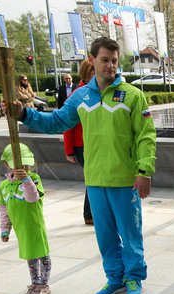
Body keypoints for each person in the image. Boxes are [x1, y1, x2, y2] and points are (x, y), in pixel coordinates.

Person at [4, 37, 157, 294]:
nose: (110, 66)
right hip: (95, 179)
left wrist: (144, 171)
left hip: (125, 180)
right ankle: (115, 278)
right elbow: (57, 121)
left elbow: (146, 136)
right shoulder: (82, 96)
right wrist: (24, 115)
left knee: (130, 235)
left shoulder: (132, 95)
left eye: (114, 61)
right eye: (105, 60)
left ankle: (133, 277)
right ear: (91, 60)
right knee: (105, 236)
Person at [0, 143, 51, 294]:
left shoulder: (34, 179)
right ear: (7, 165)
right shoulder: (4, 186)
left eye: (26, 164)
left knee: (42, 255)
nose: (23, 167)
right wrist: (4, 229)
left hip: (35, 226)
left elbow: (32, 197)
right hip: (21, 229)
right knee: (30, 257)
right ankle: (35, 282)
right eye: (17, 165)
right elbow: (4, 210)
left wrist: (26, 180)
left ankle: (44, 284)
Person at [63, 60, 95, 225]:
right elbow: (67, 125)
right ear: (87, 74)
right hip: (81, 145)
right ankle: (89, 214)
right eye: (93, 73)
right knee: (94, 177)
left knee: (93, 177)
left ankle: (90, 214)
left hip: (91, 143)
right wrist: (69, 151)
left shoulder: (95, 91)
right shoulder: (78, 94)